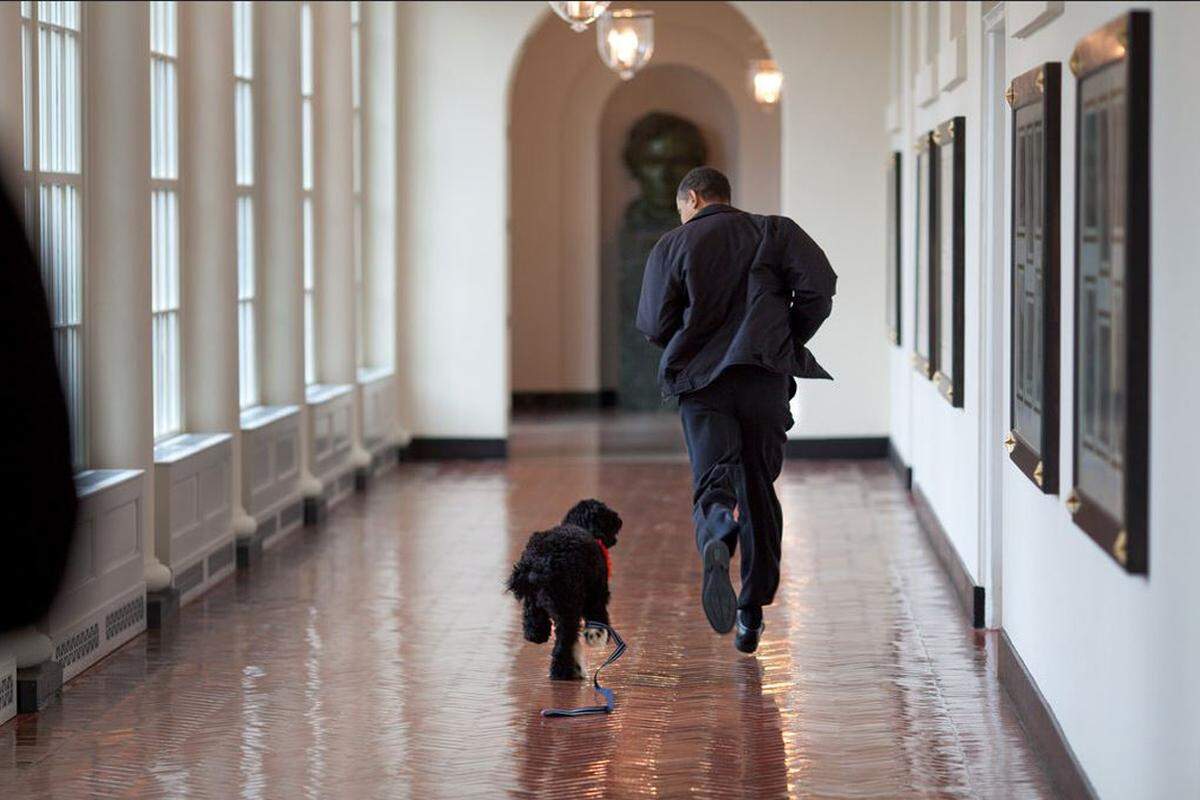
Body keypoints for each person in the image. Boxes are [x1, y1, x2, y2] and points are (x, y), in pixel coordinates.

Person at [635, 166, 836, 654]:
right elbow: (819, 288)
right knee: (759, 487)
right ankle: (751, 611)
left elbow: (654, 321)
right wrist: (781, 336)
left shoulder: (673, 245)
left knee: (714, 479)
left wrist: (690, 340)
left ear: (695, 198)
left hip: (704, 384)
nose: (682, 217)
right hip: (762, 377)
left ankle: (718, 533)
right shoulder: (775, 231)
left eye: (681, 208)